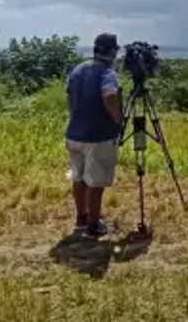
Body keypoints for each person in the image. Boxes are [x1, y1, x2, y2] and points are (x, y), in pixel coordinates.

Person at [65, 33, 123, 239]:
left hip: (74, 133)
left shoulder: (78, 69)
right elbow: (110, 95)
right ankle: (93, 225)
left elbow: (69, 96)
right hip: (98, 136)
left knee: (79, 178)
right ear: (113, 52)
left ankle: (82, 217)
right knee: (96, 183)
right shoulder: (107, 73)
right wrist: (118, 119)